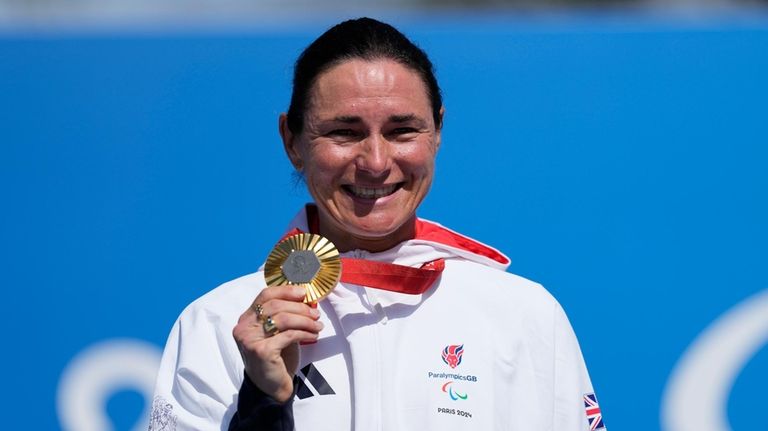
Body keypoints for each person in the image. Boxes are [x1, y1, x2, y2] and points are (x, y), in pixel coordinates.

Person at [150, 17, 604, 431]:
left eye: (402, 130)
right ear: (292, 140)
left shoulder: (525, 316)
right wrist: (264, 403)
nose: (376, 162)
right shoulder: (219, 323)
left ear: (438, 131)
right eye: (344, 133)